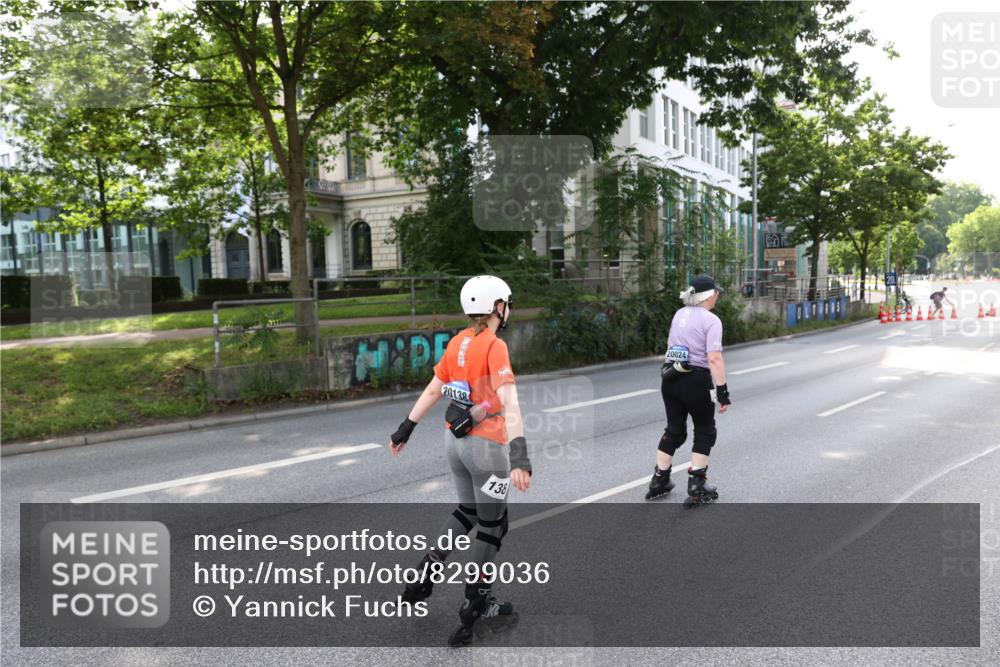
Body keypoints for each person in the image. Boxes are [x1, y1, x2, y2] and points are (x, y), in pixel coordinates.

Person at [388, 274, 532, 646]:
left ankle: (425, 573)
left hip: (455, 444)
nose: (508, 309)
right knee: (492, 526)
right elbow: (510, 403)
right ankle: (476, 606)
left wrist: (406, 427)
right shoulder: (494, 346)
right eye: (506, 303)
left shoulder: (458, 342)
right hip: (486, 449)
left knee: (467, 512)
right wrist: (519, 456)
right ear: (497, 307)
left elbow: (434, 389)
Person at [646, 274, 730, 507]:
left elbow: (671, 347)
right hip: (696, 381)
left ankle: (659, 479)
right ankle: (697, 484)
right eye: (716, 292)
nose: (718, 295)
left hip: (671, 378)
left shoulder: (679, 314)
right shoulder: (711, 320)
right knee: (705, 431)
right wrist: (722, 392)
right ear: (709, 295)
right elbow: (714, 358)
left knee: (674, 430)